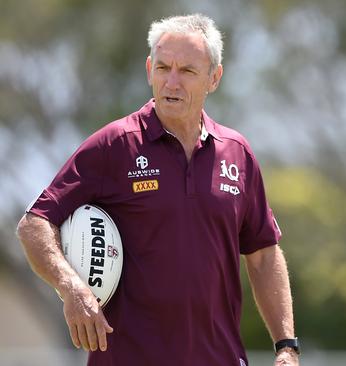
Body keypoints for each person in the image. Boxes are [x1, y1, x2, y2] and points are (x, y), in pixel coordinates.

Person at [16, 14, 299, 366]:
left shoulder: (237, 153)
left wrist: (286, 345)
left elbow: (263, 255)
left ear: (214, 77)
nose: (172, 82)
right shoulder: (114, 145)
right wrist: (71, 288)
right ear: (150, 69)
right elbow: (34, 223)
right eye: (163, 68)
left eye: (188, 71)